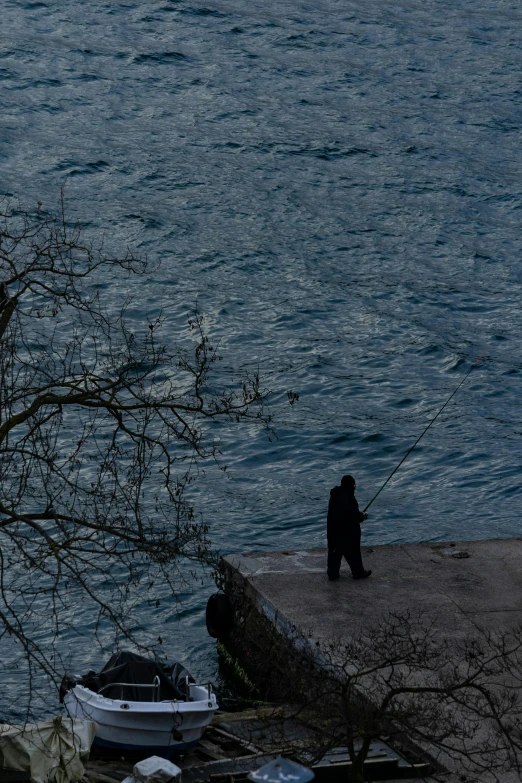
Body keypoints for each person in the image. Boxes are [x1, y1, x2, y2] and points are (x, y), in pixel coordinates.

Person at [327, 474, 371, 581]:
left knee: (335, 552)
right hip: (347, 533)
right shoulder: (349, 498)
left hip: (334, 531)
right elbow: (353, 516)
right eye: (354, 485)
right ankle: (358, 572)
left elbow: (344, 513)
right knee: (353, 552)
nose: (355, 487)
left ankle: (332, 574)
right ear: (351, 485)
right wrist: (362, 516)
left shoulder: (335, 495)